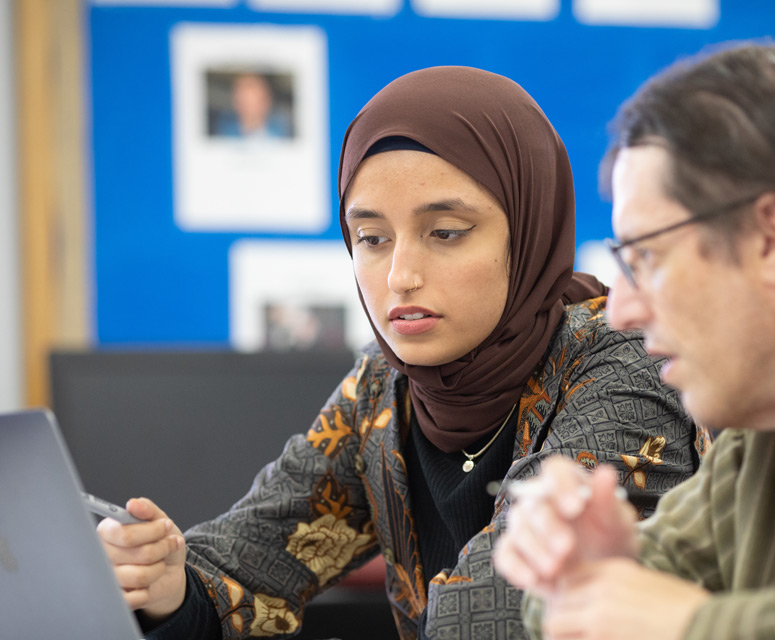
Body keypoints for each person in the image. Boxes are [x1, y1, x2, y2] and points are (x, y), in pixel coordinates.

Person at [96, 66, 707, 640]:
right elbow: (247, 563)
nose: (400, 276)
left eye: (445, 233)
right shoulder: (385, 385)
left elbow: (499, 614)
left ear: (528, 228)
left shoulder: (626, 368)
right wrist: (169, 585)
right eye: (371, 238)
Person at [493, 42, 775, 640]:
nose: (622, 313)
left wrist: (698, 626)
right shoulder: (772, 421)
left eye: (647, 259)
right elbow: (603, 609)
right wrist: (588, 568)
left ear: (771, 237)